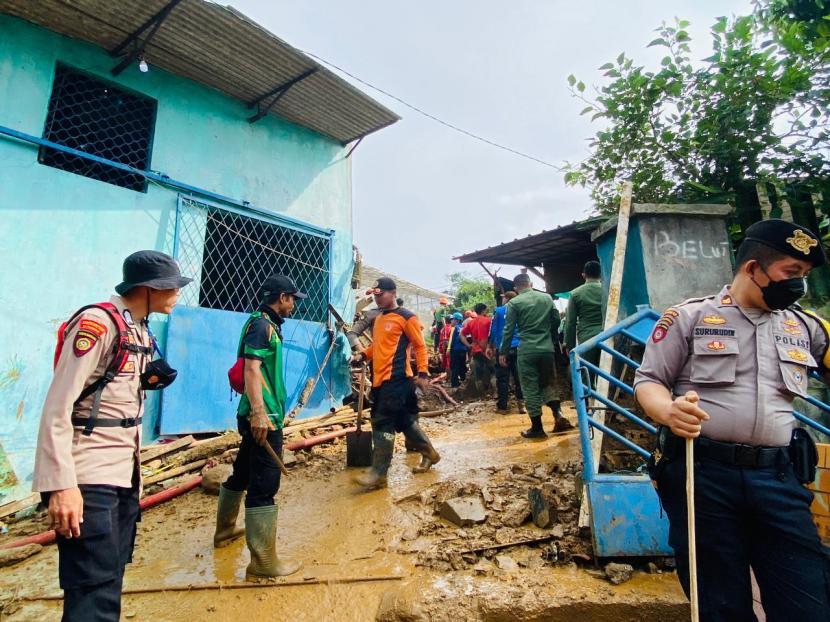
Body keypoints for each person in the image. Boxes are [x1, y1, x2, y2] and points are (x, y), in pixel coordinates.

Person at [634, 219, 830, 621]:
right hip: (704, 478)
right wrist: (668, 411)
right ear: (753, 268)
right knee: (719, 602)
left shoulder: (807, 327)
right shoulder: (688, 318)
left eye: (805, 276)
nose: (799, 286)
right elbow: (649, 381)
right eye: (791, 273)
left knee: (807, 600)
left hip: (779, 479)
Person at [33, 250, 191, 621]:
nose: (178, 294)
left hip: (122, 475)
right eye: (173, 287)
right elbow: (58, 407)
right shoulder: (97, 324)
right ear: (150, 288)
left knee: (109, 580)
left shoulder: (138, 326)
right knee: (93, 592)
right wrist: (61, 485)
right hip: (89, 475)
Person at [215, 274, 304, 580]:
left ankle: (225, 530)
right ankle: (263, 562)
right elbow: (252, 369)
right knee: (264, 485)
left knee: (242, 471)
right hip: (263, 416)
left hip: (259, 412)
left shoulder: (263, 324)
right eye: (292, 299)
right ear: (281, 297)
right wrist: (260, 414)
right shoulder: (262, 326)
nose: (293, 305)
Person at [351, 277, 440, 489]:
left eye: (381, 295)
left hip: (398, 378)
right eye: (375, 295)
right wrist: (363, 355)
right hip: (381, 378)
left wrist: (423, 373)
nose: (377, 299)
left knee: (382, 420)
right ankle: (430, 453)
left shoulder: (406, 317)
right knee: (404, 420)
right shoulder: (379, 318)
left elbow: (420, 346)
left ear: (393, 293)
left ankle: (378, 473)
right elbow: (379, 346)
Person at [501, 274, 571, 438]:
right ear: (530, 283)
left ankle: (537, 428)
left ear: (516, 287)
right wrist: (550, 337)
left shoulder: (514, 303)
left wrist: (503, 352)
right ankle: (558, 414)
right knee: (548, 382)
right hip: (547, 349)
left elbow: (508, 330)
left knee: (530, 387)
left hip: (527, 350)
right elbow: (555, 321)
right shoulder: (546, 298)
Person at [564, 260, 604, 373]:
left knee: (587, 375)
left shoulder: (575, 293)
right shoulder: (609, 290)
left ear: (584, 275)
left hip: (587, 339)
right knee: (606, 377)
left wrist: (569, 345)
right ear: (601, 274)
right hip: (608, 335)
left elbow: (570, 322)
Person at [490, 291, 525, 414]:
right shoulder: (521, 309)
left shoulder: (498, 311)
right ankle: (522, 405)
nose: (502, 299)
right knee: (519, 376)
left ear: (507, 298)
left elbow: (493, 330)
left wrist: (491, 345)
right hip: (518, 347)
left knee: (503, 378)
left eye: (504, 297)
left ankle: (503, 406)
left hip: (503, 348)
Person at [460, 302, 494, 394]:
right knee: (493, 369)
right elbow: (493, 334)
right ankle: (494, 391)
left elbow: (461, 334)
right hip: (488, 349)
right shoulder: (489, 321)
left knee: (478, 372)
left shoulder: (471, 323)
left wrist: (468, 345)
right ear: (484, 310)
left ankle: (481, 393)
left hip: (476, 350)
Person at [447, 312, 469, 388]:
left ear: (457, 320)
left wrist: (448, 349)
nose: (451, 321)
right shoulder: (463, 327)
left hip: (455, 350)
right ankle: (463, 380)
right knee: (462, 366)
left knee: (454, 366)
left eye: (452, 319)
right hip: (463, 350)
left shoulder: (454, 328)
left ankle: (454, 383)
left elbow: (451, 340)